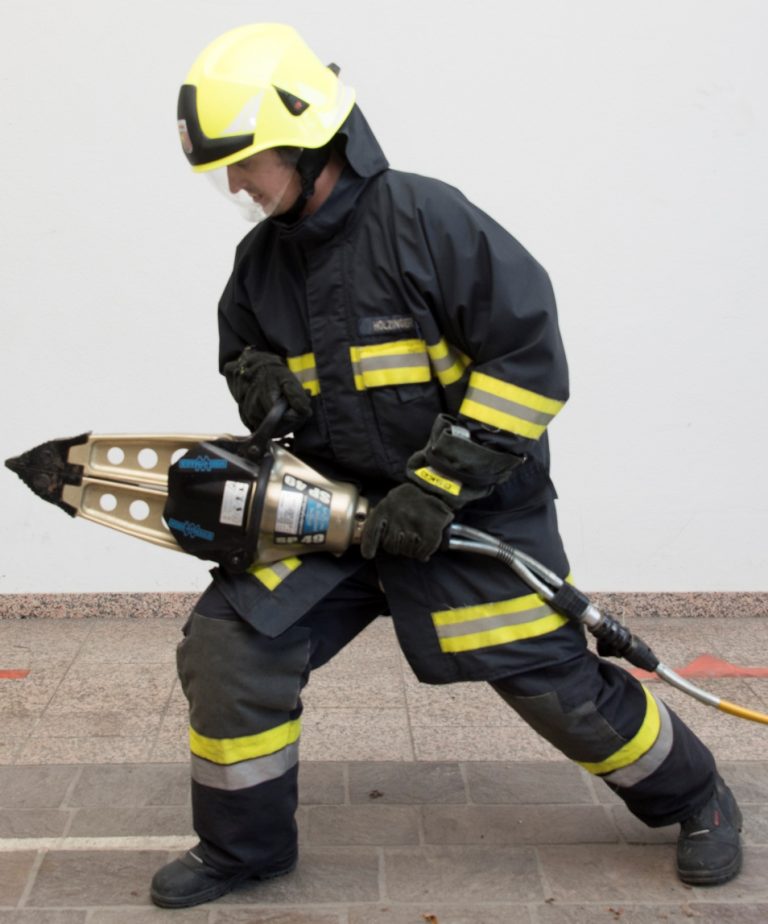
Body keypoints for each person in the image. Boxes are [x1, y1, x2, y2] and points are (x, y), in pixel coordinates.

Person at [152, 23, 743, 909]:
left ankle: (694, 795)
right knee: (232, 648)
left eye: (245, 161)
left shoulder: (432, 223)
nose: (234, 183)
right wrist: (258, 386)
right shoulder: (260, 264)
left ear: (309, 141)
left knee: (557, 690)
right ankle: (246, 848)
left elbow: (528, 363)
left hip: (471, 516)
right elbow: (244, 353)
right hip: (334, 516)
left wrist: (435, 487)